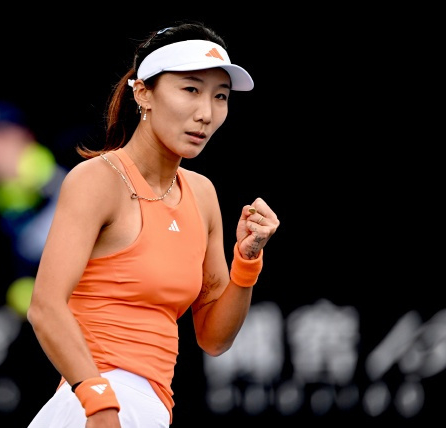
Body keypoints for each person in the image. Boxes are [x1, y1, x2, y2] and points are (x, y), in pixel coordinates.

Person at [26, 21, 279, 427]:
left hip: (147, 406)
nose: (206, 113)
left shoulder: (202, 193)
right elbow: (45, 307)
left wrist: (247, 262)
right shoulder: (97, 180)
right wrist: (98, 402)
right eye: (191, 89)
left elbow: (214, 338)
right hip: (95, 403)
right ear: (143, 93)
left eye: (220, 96)